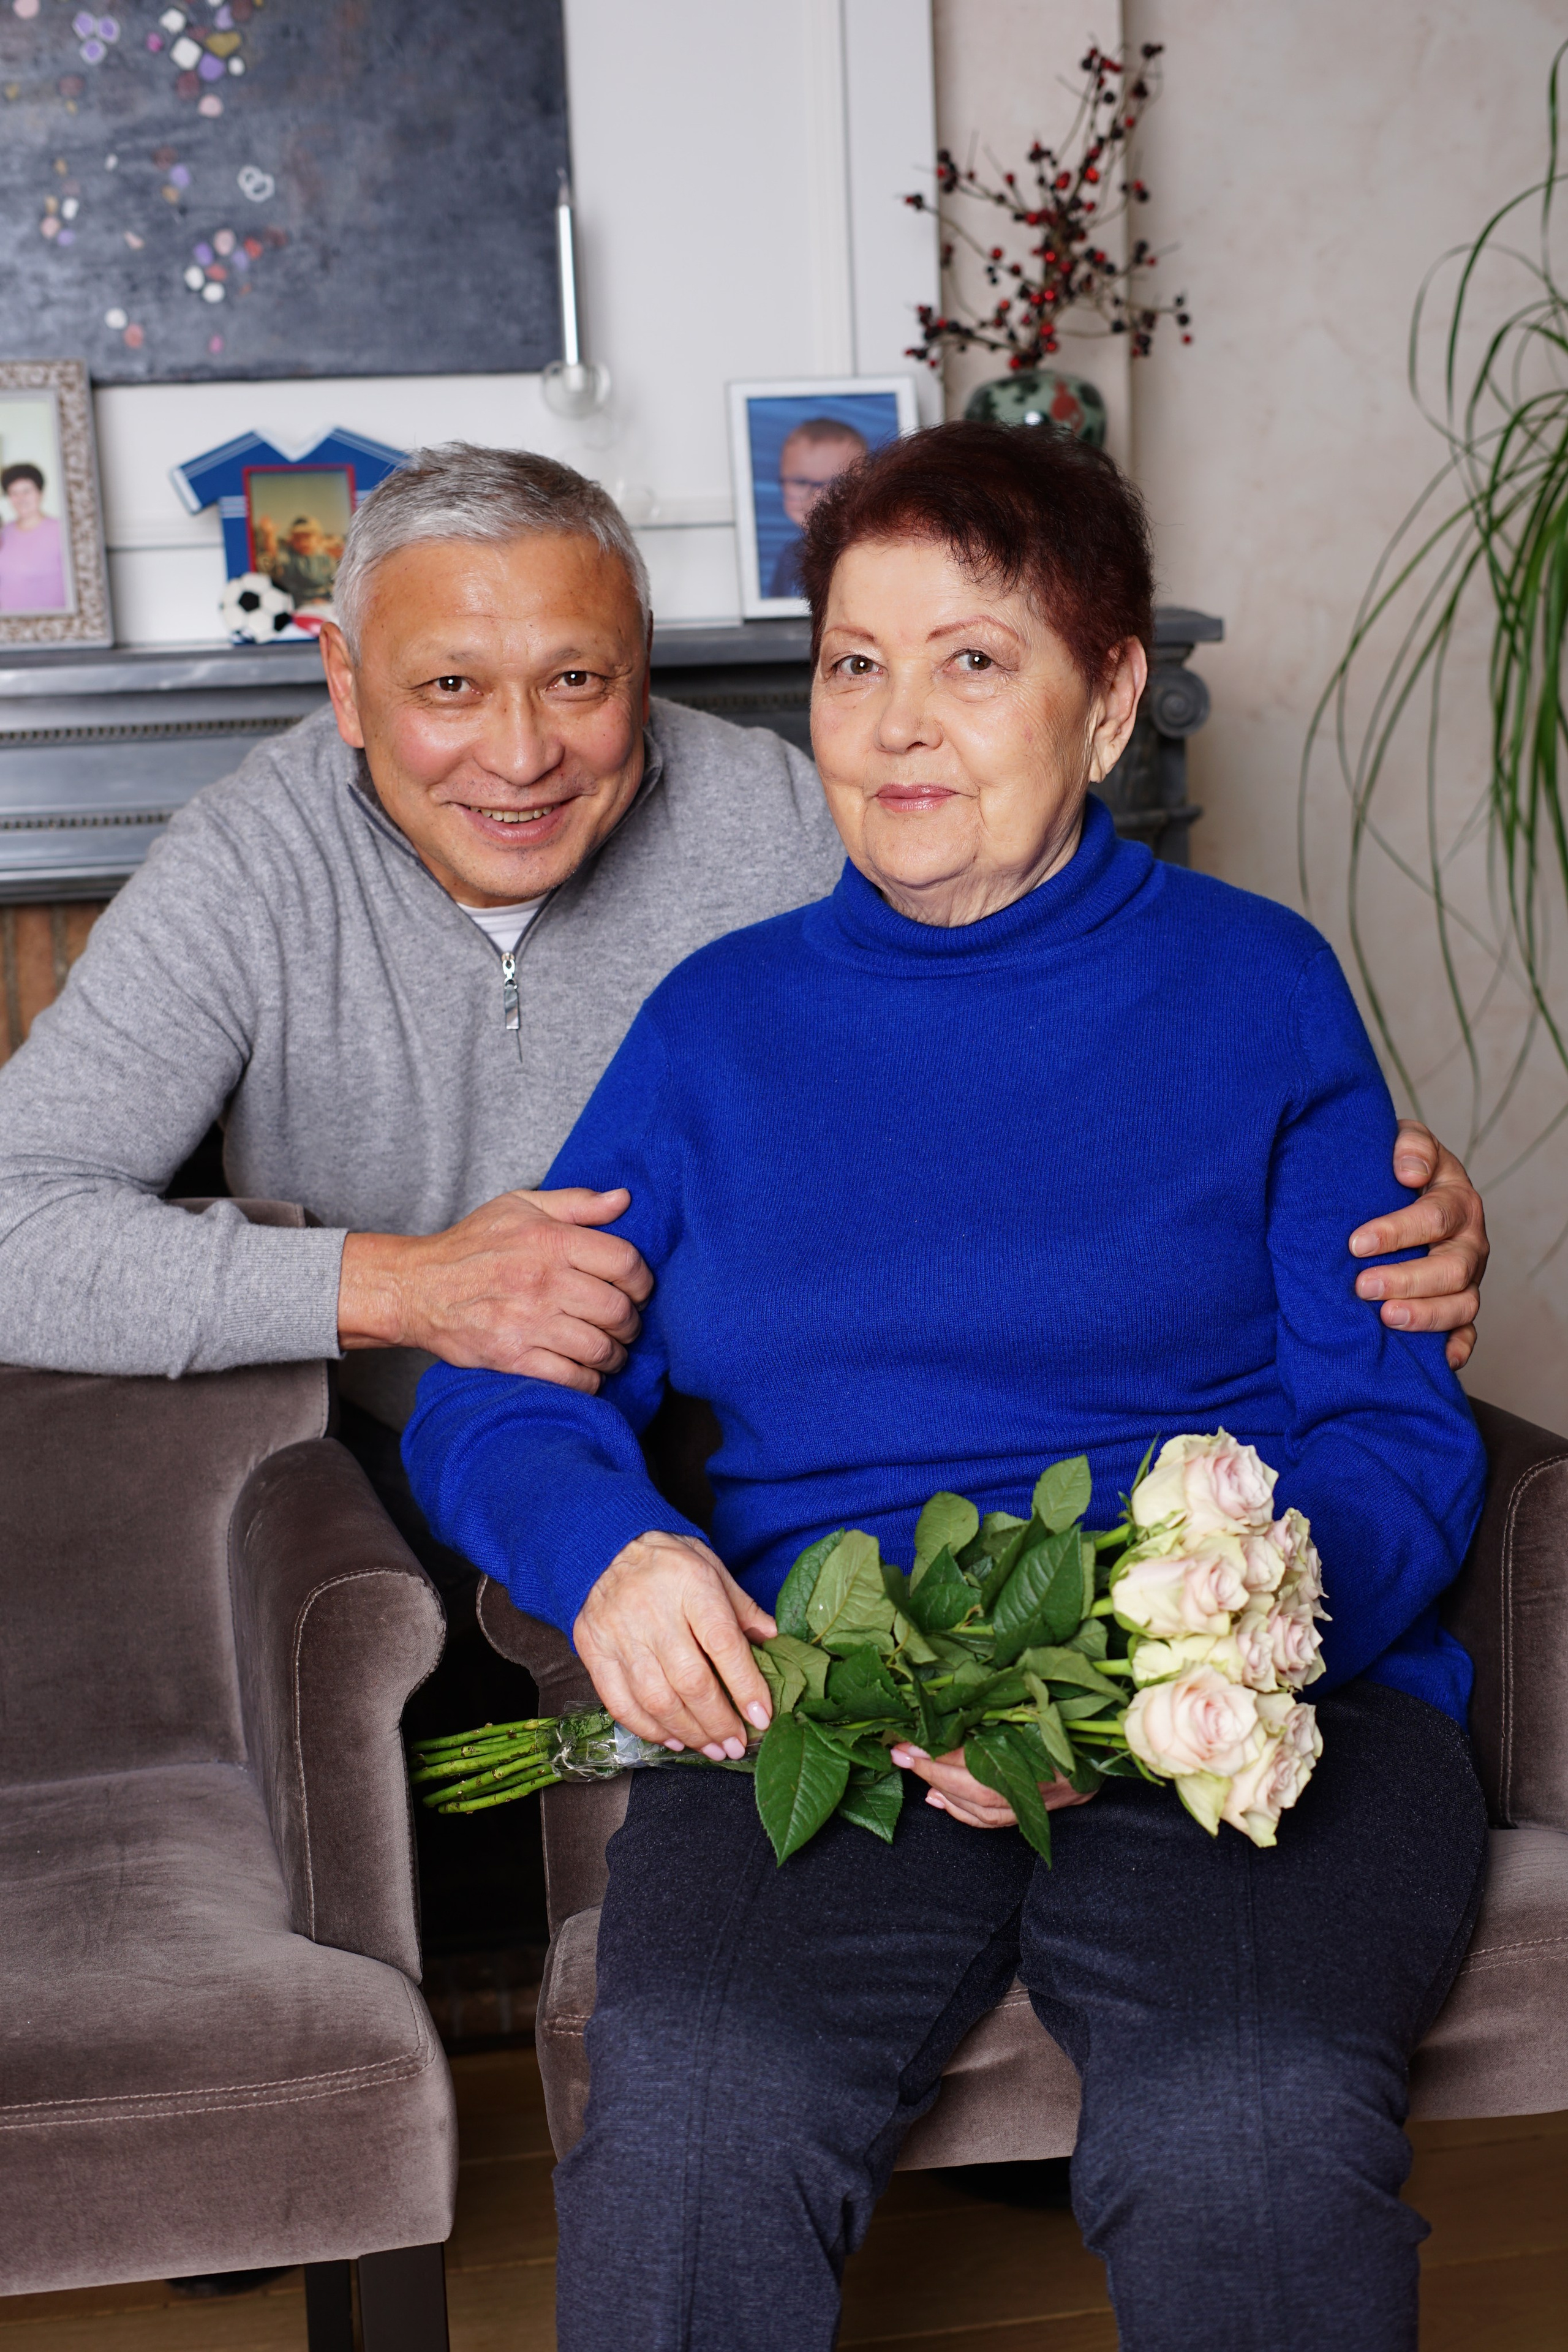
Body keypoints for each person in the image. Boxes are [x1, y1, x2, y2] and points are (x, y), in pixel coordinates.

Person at [404, 422, 1492, 2352]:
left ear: (1109, 703)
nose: (898, 723)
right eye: (854, 662)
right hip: (826, 1698)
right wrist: (613, 1556)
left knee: (1240, 2122)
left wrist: (1155, 1665)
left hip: (1230, 1707)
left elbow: (1394, 1437)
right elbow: (498, 1387)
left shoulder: (1258, 988)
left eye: (974, 659)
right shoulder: (718, 1028)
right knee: (696, 2124)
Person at [0, 440, 1484, 1446]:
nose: (517, 754)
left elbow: (1084, 1006)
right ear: (342, 682)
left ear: (643, 670)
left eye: (577, 681)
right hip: (383, 1477)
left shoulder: (807, 815)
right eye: (448, 686)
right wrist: (398, 1286)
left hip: (742, 1470)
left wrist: (1336, 1189)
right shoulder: (247, 865)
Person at [767, 415, 869, 597]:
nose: (818, 497)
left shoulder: (872, 553)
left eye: (837, 484)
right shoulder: (790, 557)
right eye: (800, 482)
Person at [0, 462, 67, 613]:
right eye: (14, 493)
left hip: (53, 623)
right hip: (9, 623)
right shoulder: (4, 533)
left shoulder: (61, 531)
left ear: (40, 493)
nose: (21, 499)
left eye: (27, 491)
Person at [255, 511, 340, 609]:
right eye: (298, 539)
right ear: (291, 541)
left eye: (307, 538)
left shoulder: (327, 560)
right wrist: (269, 535)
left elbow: (335, 585)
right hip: (298, 604)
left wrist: (326, 600)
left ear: (318, 539)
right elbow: (274, 555)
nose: (303, 542)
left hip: (324, 604)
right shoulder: (290, 557)